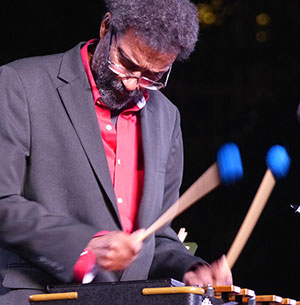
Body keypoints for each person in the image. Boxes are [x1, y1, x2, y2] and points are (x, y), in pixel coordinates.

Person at [0, 0, 232, 304]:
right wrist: (84, 246)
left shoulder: (166, 116)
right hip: (37, 295)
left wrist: (190, 269)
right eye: (127, 62)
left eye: (153, 75)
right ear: (107, 27)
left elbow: (156, 236)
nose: (132, 82)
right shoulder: (21, 84)